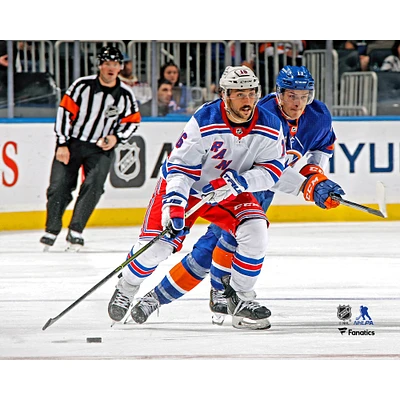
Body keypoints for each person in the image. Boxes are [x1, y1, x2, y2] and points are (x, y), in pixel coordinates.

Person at [128, 65, 345, 329]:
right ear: (278, 94)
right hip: (232, 187)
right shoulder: (261, 113)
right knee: (211, 248)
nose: (298, 102)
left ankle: (223, 300)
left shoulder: (318, 116)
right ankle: (169, 298)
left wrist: (316, 177)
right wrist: (305, 185)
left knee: (237, 241)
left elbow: (319, 150)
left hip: (259, 187)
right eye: (291, 95)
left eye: (304, 95)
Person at [108, 65, 287, 330]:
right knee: (159, 246)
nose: (247, 100)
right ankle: (128, 285)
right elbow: (180, 168)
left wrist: (241, 182)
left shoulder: (270, 125)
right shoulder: (205, 119)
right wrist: (175, 206)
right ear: (225, 95)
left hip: (229, 191)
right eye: (239, 94)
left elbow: (273, 169)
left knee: (255, 230)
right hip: (188, 188)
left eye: (251, 93)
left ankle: (239, 298)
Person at [39, 46, 141, 251]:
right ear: (100, 65)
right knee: (58, 186)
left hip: (100, 148)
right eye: (107, 63)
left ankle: (76, 230)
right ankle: (52, 229)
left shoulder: (125, 95)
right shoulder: (81, 86)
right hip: (73, 143)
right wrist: (62, 143)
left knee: (95, 185)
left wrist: (116, 137)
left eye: (115, 64)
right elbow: (64, 113)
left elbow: (133, 121)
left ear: (121, 67)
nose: (111, 68)